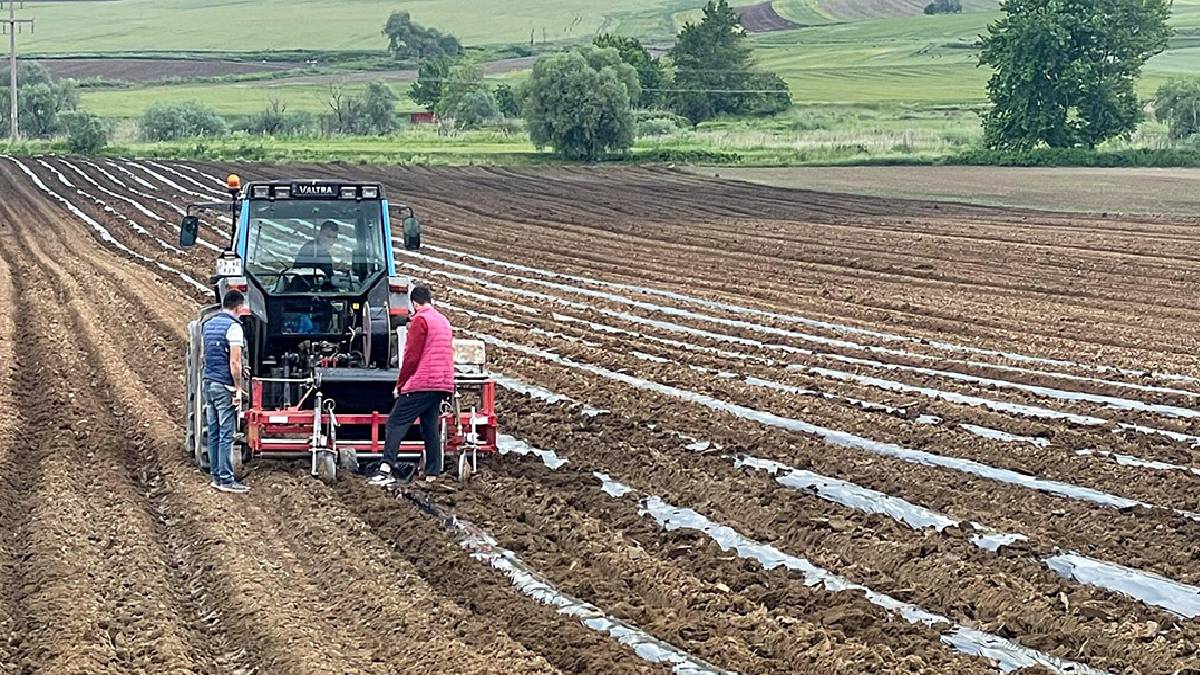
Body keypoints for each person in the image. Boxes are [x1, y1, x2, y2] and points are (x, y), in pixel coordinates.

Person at [369, 286, 455, 487]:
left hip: (423, 382)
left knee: (395, 423)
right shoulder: (443, 320)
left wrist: (401, 384)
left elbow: (412, 356)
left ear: (414, 303)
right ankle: (433, 472)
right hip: (442, 382)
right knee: (429, 425)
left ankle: (386, 468)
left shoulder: (420, 320)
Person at [202, 290, 250, 494]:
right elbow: (235, 361)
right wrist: (238, 389)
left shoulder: (208, 324)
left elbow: (204, 356)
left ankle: (215, 476)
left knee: (213, 431)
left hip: (209, 383)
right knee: (226, 434)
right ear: (238, 307)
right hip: (224, 386)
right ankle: (226, 480)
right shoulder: (234, 327)